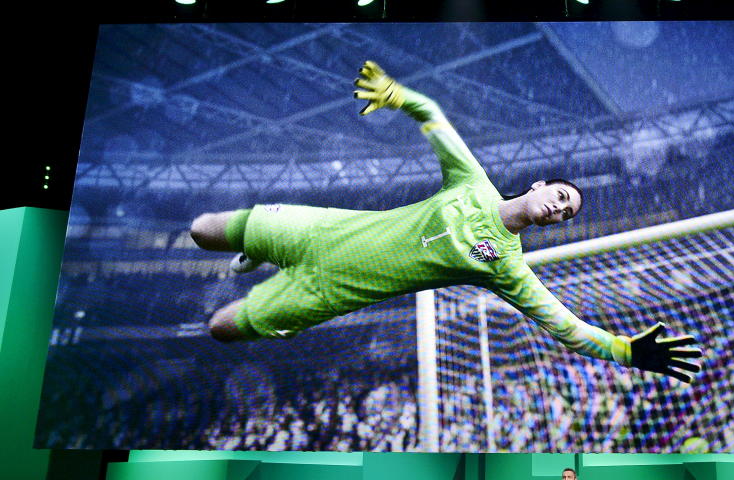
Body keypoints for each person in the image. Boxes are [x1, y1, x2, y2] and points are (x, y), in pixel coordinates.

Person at [190, 61, 702, 384]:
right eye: (562, 196)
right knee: (201, 230)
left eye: (566, 214)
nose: (560, 208)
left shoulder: (505, 266)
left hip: (326, 292)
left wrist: (624, 350)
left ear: (553, 223)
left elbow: (567, 328)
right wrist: (397, 94)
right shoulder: (471, 183)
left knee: (220, 329)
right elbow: (433, 115)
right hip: (323, 230)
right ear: (541, 185)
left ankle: (273, 291)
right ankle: (260, 252)